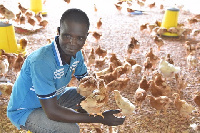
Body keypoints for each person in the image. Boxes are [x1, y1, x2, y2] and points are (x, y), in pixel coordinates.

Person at [7, 8, 125, 133]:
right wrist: (98, 118)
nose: (73, 43)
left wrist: (99, 94)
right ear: (58, 31)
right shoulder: (41, 61)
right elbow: (52, 112)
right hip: (27, 110)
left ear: (86, 37)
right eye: (67, 36)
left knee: (84, 96)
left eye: (79, 38)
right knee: (70, 129)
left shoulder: (76, 53)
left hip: (53, 98)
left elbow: (87, 82)